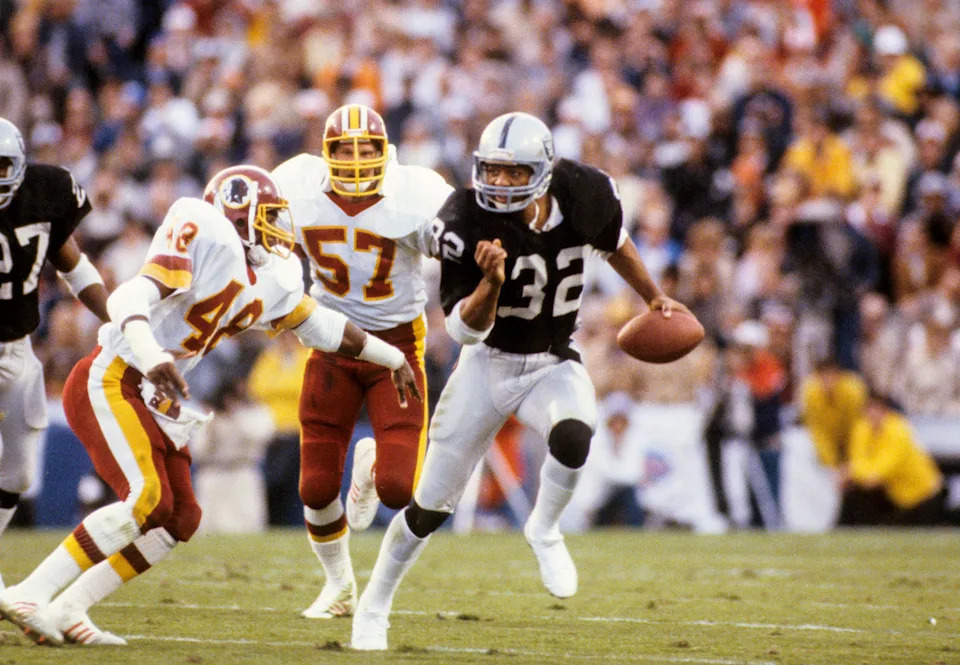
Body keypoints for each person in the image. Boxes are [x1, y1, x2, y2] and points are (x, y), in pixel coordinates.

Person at [0, 165, 420, 646]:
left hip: (153, 394)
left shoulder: (272, 277)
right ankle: (33, 592)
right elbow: (132, 297)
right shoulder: (204, 230)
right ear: (237, 214)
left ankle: (71, 609)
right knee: (146, 498)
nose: (277, 229)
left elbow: (324, 326)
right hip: (112, 375)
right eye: (266, 216)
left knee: (180, 518)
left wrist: (390, 357)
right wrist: (153, 355)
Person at [350, 112, 689, 650]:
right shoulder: (464, 218)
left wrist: (652, 296)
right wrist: (491, 282)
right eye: (494, 171)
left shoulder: (586, 193)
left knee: (576, 431)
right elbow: (462, 331)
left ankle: (545, 527)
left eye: (514, 173)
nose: (501, 183)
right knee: (429, 509)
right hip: (486, 363)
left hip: (552, 360)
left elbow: (617, 242)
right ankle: (374, 604)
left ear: (545, 171)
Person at [271, 103, 452, 619]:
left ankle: (370, 463)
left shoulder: (416, 193)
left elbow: (457, 253)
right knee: (315, 485)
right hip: (330, 339)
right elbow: (266, 250)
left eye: (366, 148)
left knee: (398, 489)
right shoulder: (297, 185)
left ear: (385, 150)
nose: (355, 158)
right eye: (344, 149)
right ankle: (339, 584)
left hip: (395, 344)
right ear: (325, 152)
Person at [0, 117, 110, 588]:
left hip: (17, 347)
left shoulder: (46, 191)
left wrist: (116, 317)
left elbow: (72, 262)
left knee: (21, 472)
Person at [838, 390, 944, 526]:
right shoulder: (861, 429)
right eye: (869, 409)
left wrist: (852, 472)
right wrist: (856, 471)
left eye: (877, 409)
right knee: (853, 497)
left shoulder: (899, 431)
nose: (872, 414)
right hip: (895, 495)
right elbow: (858, 459)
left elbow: (878, 474)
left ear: (886, 411)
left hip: (922, 496)